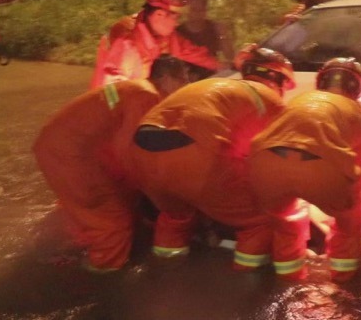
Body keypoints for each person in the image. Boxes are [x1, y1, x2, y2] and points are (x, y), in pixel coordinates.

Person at [123, 44, 293, 273]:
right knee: (258, 222)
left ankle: (163, 271)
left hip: (143, 153)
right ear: (277, 80)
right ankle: (247, 282)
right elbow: (280, 161)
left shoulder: (215, 85)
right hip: (195, 156)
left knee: (176, 216)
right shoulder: (271, 101)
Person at [32, 55, 190, 273]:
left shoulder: (137, 90)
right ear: (164, 78)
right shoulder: (147, 97)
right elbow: (132, 152)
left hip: (64, 148)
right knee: (114, 224)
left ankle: (71, 243)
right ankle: (99, 273)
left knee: (111, 202)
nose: (185, 86)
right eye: (182, 80)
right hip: (70, 156)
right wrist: (159, 192)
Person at [249, 58, 361, 282]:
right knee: (348, 220)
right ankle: (343, 280)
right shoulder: (359, 115)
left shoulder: (296, 101)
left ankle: (289, 280)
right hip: (320, 169)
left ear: (321, 81)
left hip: (266, 164)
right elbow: (355, 174)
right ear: (356, 87)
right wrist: (347, 208)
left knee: (285, 223)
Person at [90, 0, 220, 87]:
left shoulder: (162, 33)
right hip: (112, 110)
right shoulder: (128, 43)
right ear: (159, 14)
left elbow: (189, 51)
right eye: (175, 17)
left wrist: (222, 66)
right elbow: (112, 90)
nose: (176, 23)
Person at [175, 0, 234, 79]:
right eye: (194, 10)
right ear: (187, 10)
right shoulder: (178, 32)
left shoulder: (213, 28)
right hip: (186, 80)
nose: (197, 14)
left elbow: (230, 56)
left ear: (205, 11)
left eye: (201, 10)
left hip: (212, 77)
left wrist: (223, 35)